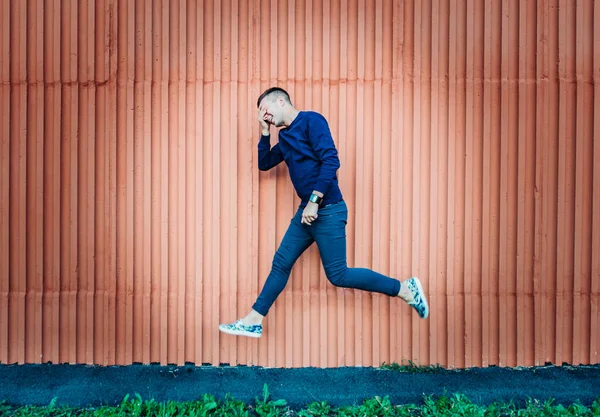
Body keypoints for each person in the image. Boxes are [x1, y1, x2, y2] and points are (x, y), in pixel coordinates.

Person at [219, 87, 429, 338]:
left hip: (327, 211)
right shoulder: (284, 138)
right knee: (281, 263)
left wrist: (314, 201)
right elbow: (265, 164)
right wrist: (265, 133)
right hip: (306, 214)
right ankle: (254, 320)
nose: (265, 115)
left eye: (265, 109)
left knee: (338, 275)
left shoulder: (312, 121)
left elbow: (331, 160)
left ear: (280, 101)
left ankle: (405, 289)